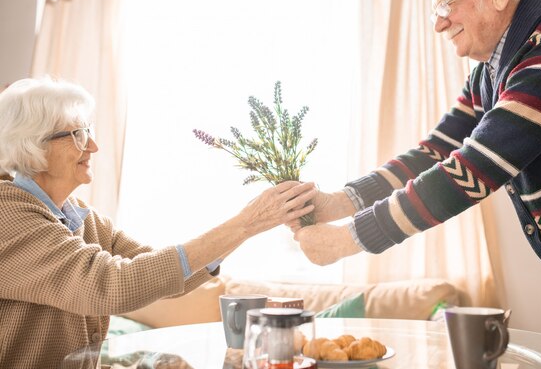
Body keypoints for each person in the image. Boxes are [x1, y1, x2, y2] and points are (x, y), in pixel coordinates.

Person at [290, 0, 541, 367]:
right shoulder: (492, 71)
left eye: (446, 5)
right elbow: (433, 152)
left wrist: (348, 239)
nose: (438, 23)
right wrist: (337, 202)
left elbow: (472, 170)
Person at [0, 77, 316, 369]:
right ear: (34, 145)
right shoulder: (9, 216)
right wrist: (246, 223)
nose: (93, 146)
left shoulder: (80, 215)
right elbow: (112, 285)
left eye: (89, 131)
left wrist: (250, 224)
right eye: (77, 134)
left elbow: (155, 275)